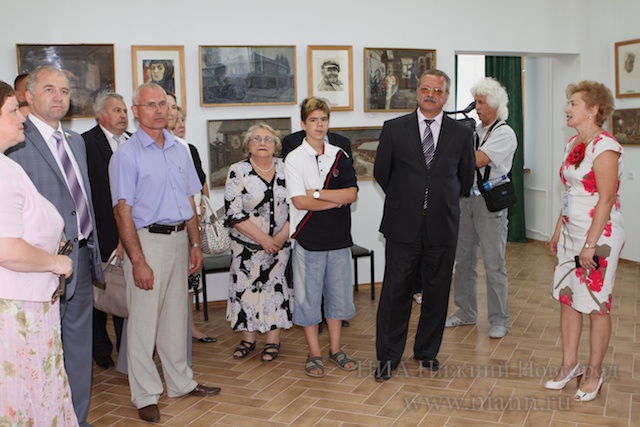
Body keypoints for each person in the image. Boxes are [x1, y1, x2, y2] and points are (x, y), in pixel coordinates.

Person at [109, 82, 221, 423]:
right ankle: (144, 394)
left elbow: (190, 201)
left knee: (175, 318)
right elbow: (122, 211)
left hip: (179, 241)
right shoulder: (125, 155)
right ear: (137, 111)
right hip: (147, 242)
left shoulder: (180, 149)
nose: (159, 110)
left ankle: (180, 382)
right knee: (143, 323)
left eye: (163, 105)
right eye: (150, 105)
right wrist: (138, 259)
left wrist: (196, 243)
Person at [7, 65, 104, 427]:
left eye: (64, 91)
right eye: (49, 89)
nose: (59, 97)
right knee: (39, 351)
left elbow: (83, 200)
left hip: (79, 258)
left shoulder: (75, 140)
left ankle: (74, 419)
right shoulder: (15, 138)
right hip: (37, 266)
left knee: (78, 347)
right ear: (28, 96)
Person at [373, 69, 475, 382]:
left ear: (446, 95)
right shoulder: (394, 128)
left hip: (442, 226)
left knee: (437, 291)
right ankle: (388, 357)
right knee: (395, 292)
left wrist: (434, 203)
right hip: (403, 226)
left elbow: (465, 179)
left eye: (438, 90)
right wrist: (410, 199)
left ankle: (427, 351)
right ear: (417, 92)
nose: (431, 94)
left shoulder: (460, 133)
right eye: (425, 89)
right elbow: (382, 172)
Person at [0, 80, 78, 426]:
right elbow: (7, 248)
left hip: (25, 304)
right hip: (16, 310)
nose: (22, 117)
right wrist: (56, 262)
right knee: (22, 402)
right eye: (13, 110)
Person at [547, 81, 624, 402]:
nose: (567, 108)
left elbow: (605, 199)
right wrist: (557, 230)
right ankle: (570, 365)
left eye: (574, 103)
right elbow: (570, 193)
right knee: (568, 298)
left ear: (593, 110)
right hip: (570, 233)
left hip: (598, 237)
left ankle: (594, 371)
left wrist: (590, 244)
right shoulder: (572, 144)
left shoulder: (605, 146)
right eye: (569, 103)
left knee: (595, 304)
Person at [285, 97, 358, 378]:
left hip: (339, 237)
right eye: (313, 120)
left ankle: (335, 349)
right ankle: (314, 353)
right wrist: (334, 199)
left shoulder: (340, 154)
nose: (319, 125)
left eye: (324, 120)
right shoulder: (294, 158)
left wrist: (315, 192)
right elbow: (299, 203)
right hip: (309, 237)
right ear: (303, 123)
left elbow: (351, 194)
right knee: (309, 300)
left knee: (338, 298)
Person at [445, 77, 518, 339]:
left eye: (482, 102)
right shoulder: (473, 131)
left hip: (490, 205)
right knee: (463, 260)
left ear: (495, 105)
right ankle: (465, 312)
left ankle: (500, 319)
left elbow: (478, 159)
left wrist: (449, 150)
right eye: (476, 102)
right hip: (466, 201)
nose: (477, 107)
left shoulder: (504, 133)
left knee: (493, 263)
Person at [224, 123, 292, 362]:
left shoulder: (287, 169)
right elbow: (233, 213)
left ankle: (273, 340)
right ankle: (248, 339)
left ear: (276, 145)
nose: (262, 143)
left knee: (275, 290)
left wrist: (279, 238)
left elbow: (297, 207)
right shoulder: (237, 171)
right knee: (246, 290)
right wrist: (264, 239)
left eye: (268, 139)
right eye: (256, 139)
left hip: (280, 247)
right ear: (248, 145)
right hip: (246, 248)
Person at [82, 92, 129, 369]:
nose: (123, 115)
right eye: (116, 110)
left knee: (126, 294)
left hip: (131, 232)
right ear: (101, 115)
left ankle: (128, 351)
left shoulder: (134, 141)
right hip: (99, 231)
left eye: (124, 110)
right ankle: (101, 350)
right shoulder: (86, 143)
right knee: (99, 295)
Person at [172, 103, 216, 343]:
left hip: (193, 226)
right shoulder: (162, 151)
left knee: (190, 280)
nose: (180, 125)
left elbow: (202, 183)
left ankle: (190, 327)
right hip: (173, 226)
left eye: (182, 120)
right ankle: (172, 332)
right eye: (175, 120)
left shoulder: (191, 149)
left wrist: (203, 207)